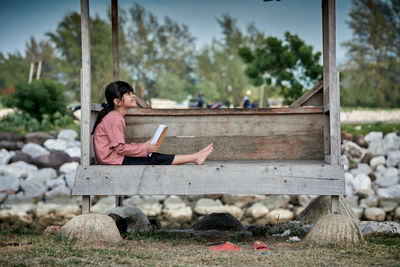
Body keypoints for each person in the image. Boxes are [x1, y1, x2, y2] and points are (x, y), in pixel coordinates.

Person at [92, 81, 214, 165]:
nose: (133, 96)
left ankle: (196, 156)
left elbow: (119, 147)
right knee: (154, 158)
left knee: (152, 156)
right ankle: (195, 157)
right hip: (112, 160)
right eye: (128, 94)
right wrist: (145, 148)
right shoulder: (114, 118)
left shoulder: (115, 117)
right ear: (117, 101)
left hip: (113, 158)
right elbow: (120, 149)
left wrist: (144, 146)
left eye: (132, 93)